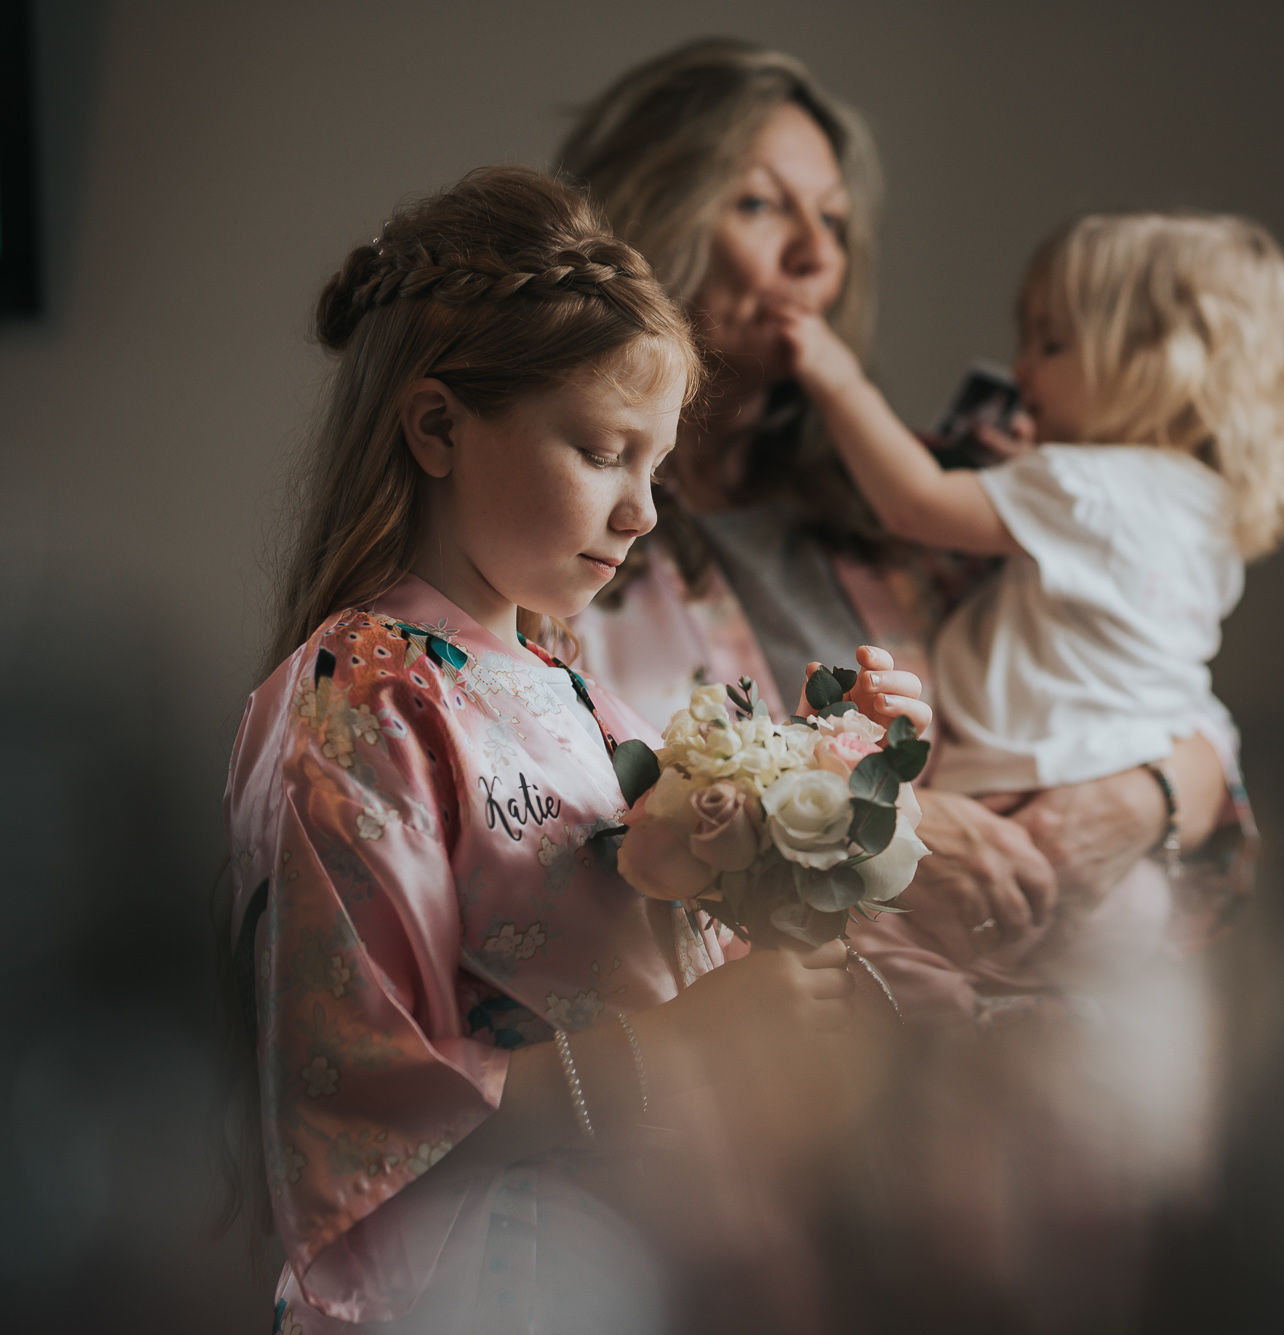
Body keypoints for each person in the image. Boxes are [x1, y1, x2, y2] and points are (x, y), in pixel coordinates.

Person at [224, 165, 928, 1333]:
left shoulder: (578, 698)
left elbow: (672, 967)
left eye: (655, 465)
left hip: (633, 1270)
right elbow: (353, 1105)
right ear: (439, 426)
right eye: (604, 452)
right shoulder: (364, 699)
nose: (643, 510)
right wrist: (665, 1054)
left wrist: (828, 787)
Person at [558, 40, 1250, 1014]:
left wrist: (1149, 797)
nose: (817, 255)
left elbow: (1166, 681)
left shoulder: (934, 508)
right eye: (759, 204)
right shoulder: (562, 550)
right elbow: (562, 829)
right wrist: (885, 827)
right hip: (773, 1089)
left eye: (834, 221)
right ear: (642, 223)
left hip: (1047, 1048)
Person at [782, 210, 1284, 1011]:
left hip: (1016, 810)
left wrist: (838, 378)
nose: (1020, 367)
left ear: (1149, 365)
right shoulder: (1204, 505)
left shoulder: (1081, 485)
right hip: (1132, 860)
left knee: (881, 956)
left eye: (1049, 342)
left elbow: (914, 502)